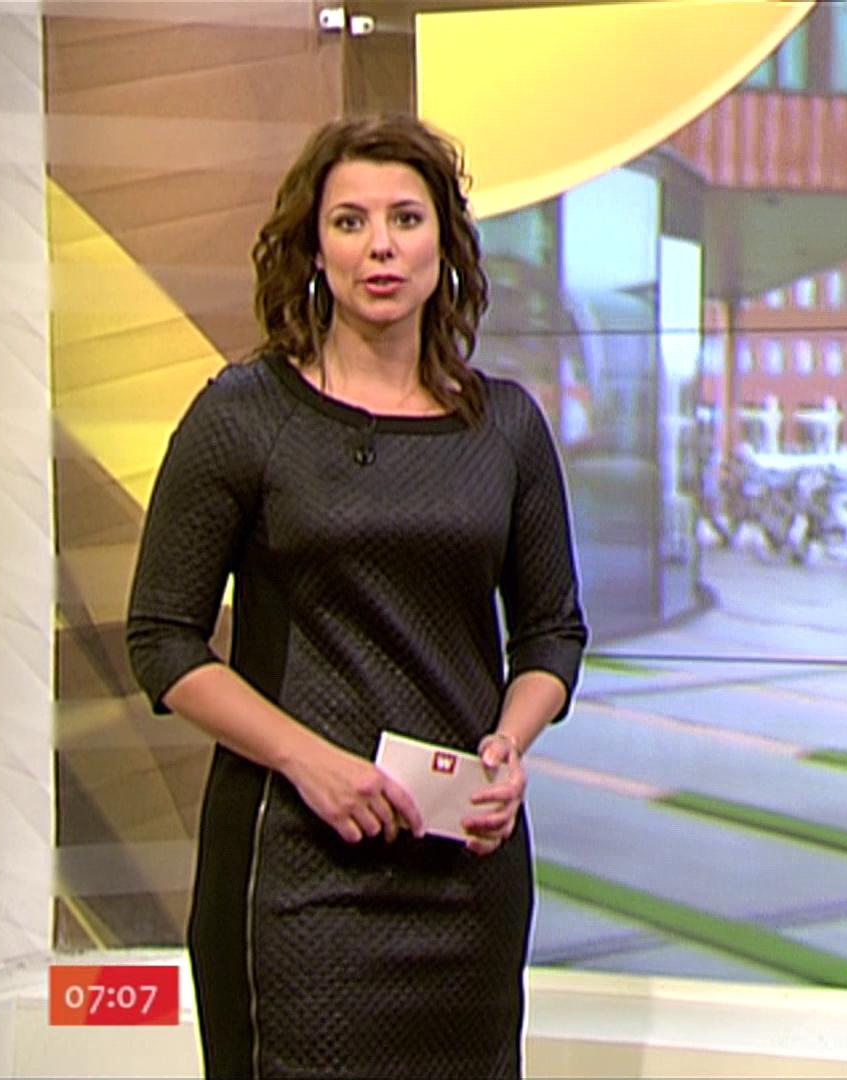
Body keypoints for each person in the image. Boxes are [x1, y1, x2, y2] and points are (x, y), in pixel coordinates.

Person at [126, 114, 588, 1078]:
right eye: (350, 221)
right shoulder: (245, 415)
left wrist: (508, 746)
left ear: (444, 245)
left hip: (465, 871)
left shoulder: (506, 428)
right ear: (313, 247)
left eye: (405, 219)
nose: (380, 245)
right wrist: (310, 762)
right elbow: (164, 641)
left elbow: (551, 635)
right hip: (297, 866)